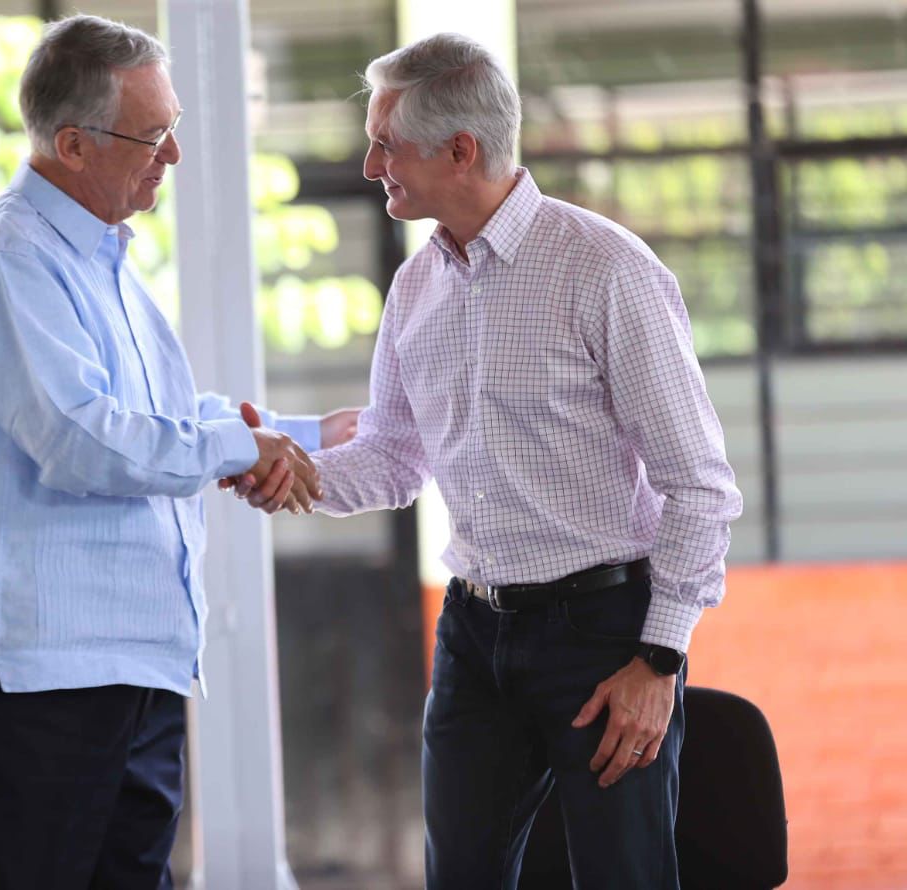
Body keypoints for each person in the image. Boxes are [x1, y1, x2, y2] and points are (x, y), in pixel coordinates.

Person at [241, 32, 743, 889]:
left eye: (385, 144)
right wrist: (300, 473)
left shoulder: (606, 270)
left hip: (602, 635)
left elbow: (699, 487)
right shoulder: (415, 287)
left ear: (460, 150)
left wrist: (660, 660)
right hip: (475, 634)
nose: (370, 166)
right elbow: (397, 458)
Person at [0, 15, 357, 889]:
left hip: (126, 667)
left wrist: (292, 439)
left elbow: (157, 416)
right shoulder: (12, 259)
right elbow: (79, 437)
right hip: (35, 684)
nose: (174, 156)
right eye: (153, 136)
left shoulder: (102, 261)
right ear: (72, 144)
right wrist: (235, 446)